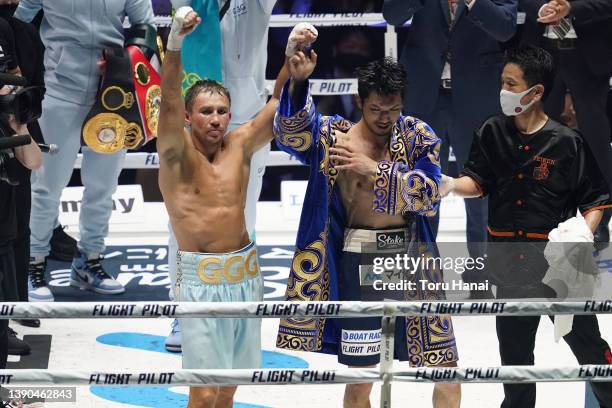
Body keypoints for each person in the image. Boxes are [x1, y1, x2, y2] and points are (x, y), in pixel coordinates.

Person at [274, 56, 460, 408]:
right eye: (376, 109)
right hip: (358, 267)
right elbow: (289, 136)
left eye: (393, 109)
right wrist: (297, 84)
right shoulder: (332, 137)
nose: (385, 118)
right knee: (361, 376)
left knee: (444, 365)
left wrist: (373, 169)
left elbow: (429, 195)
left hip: (413, 265)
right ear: (360, 101)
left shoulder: (418, 136)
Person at [441, 45, 612, 408]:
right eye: (502, 81)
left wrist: (583, 232)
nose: (502, 89)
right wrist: (452, 186)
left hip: (560, 262)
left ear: (535, 92)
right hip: (508, 262)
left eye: (510, 83)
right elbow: (478, 181)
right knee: (515, 360)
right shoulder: (490, 131)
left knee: (590, 347)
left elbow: (597, 198)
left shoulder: (567, 143)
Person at [157, 7, 309, 407]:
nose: (216, 119)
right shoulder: (175, 155)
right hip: (201, 281)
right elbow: (169, 98)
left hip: (245, 273)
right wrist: (175, 43)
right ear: (189, 117)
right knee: (204, 392)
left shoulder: (240, 146)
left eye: (222, 111)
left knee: (229, 387)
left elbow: (276, 101)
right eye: (206, 111)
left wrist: (291, 59)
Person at [14, 0, 155, 301]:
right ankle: (34, 262)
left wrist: (125, 61)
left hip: (113, 93)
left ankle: (90, 259)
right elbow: (18, 23)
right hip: (59, 89)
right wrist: (31, 70)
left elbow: (146, 26)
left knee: (103, 185)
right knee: (46, 185)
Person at [164, 0, 278, 353]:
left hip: (245, 120)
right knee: (182, 220)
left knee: (243, 217)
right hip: (193, 119)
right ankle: (184, 311)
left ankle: (237, 305)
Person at [382, 0, 518, 290]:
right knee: (421, 182)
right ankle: (423, 267)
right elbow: (392, 13)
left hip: (477, 94)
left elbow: (505, 28)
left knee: (481, 184)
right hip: (424, 91)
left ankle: (480, 269)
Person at [519, 0, 612, 251]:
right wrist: (541, 9)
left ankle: (598, 219)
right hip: (541, 56)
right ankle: (544, 219)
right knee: (540, 143)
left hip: (589, 57)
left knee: (596, 145)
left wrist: (571, 8)